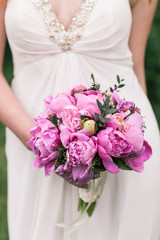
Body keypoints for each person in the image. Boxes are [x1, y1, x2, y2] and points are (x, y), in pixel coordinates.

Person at [0, 0, 160, 239]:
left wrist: (124, 139)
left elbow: (135, 69)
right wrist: (40, 143)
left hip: (119, 156)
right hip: (30, 150)